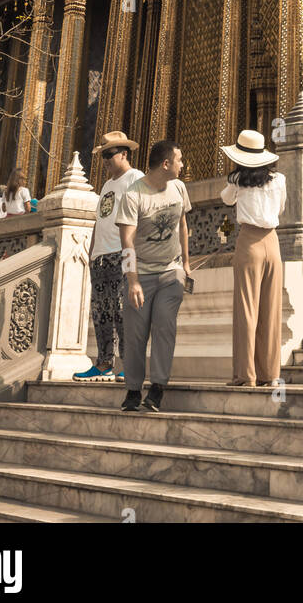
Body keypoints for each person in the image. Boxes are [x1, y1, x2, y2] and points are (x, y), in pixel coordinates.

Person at [116, 139, 193, 413]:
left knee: (164, 326)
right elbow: (126, 240)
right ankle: (134, 390)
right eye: (179, 160)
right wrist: (133, 280)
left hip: (171, 272)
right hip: (142, 274)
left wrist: (185, 262)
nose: (182, 165)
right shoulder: (134, 195)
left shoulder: (179, 188)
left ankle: (158, 388)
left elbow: (183, 224)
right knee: (136, 334)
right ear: (165, 164)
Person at [74, 130, 144, 382]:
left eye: (109, 154)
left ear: (124, 154)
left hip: (122, 253)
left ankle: (129, 364)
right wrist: (92, 251)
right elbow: (100, 220)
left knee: (123, 310)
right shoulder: (106, 185)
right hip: (101, 256)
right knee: (101, 310)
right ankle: (103, 363)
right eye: (102, 155)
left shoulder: (136, 178)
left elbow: (143, 216)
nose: (105, 159)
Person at [220, 129, 286, 387]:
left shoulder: (237, 180)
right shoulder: (279, 179)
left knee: (247, 310)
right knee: (271, 310)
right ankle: (270, 374)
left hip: (249, 242)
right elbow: (281, 208)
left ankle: (245, 375)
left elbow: (225, 200)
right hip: (273, 242)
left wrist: (236, 181)